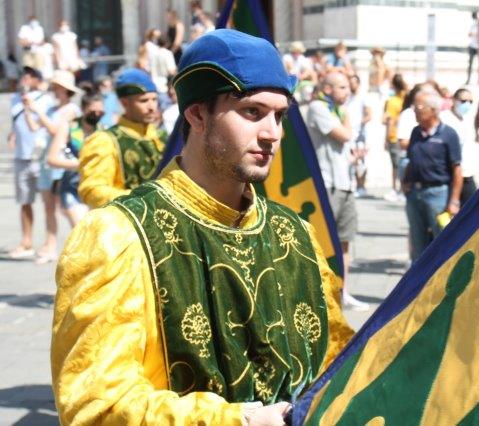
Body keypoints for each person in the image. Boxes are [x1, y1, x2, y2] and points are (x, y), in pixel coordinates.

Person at [52, 29, 353, 424]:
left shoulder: (295, 232)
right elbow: (95, 405)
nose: (272, 134)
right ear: (196, 115)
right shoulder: (116, 235)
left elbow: (338, 361)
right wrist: (239, 421)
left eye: (279, 116)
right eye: (252, 112)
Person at [307, 72, 369, 311]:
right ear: (327, 89)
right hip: (328, 184)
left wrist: (355, 158)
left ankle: (343, 291)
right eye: (342, 87)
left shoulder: (337, 112)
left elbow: (343, 147)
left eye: (347, 87)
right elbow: (345, 135)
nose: (347, 92)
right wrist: (347, 116)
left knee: (344, 242)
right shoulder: (318, 108)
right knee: (324, 241)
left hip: (345, 184)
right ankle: (322, 293)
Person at [78, 69, 165, 208]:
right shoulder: (104, 140)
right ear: (125, 103)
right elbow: (91, 190)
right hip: (126, 219)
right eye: (144, 101)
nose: (152, 107)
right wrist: (141, 199)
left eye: (154, 99)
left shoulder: (163, 137)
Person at [23, 70, 82, 264]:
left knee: (65, 207)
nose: (54, 90)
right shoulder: (52, 108)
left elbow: (56, 131)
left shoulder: (72, 109)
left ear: (65, 90)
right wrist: (27, 109)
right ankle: (50, 246)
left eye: (57, 87)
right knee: (48, 207)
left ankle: (78, 246)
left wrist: (37, 111)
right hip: (46, 162)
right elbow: (34, 127)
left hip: (60, 162)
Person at [403, 90, 462, 262]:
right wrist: (406, 181)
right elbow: (411, 160)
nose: (415, 111)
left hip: (437, 194)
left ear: (433, 110)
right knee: (417, 241)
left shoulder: (448, 134)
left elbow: (457, 169)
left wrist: (454, 201)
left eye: (419, 107)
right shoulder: (416, 132)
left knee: (441, 241)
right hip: (415, 194)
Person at [6, 67, 53, 259]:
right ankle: (26, 241)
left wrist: (31, 104)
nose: (24, 79)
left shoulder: (46, 99)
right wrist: (12, 135)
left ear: (36, 79)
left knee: (48, 203)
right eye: (23, 75)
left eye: (29, 76)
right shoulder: (14, 99)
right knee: (25, 201)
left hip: (40, 156)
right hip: (21, 155)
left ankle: (50, 243)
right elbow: (16, 122)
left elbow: (48, 123)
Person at [46, 89, 104, 227]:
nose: (97, 115)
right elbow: (52, 159)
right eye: (93, 111)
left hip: (96, 187)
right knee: (81, 228)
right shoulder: (69, 127)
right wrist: (81, 164)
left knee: (95, 233)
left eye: (100, 112)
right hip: (72, 186)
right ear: (83, 109)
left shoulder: (104, 130)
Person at [440, 88, 479, 205]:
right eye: (463, 101)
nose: (467, 104)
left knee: (472, 206)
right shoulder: (443, 118)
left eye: (470, 101)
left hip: (466, 172)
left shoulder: (467, 120)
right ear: (454, 100)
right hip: (449, 173)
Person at [346, 75, 372, 197]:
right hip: (349, 132)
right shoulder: (347, 97)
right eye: (350, 83)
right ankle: (354, 185)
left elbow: (369, 115)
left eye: (353, 83)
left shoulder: (363, 97)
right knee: (352, 159)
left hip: (360, 134)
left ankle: (361, 186)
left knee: (361, 161)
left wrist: (359, 124)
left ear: (358, 83)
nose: (351, 85)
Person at [383, 74, 407, 201]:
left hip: (394, 136)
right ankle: (402, 189)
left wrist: (386, 138)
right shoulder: (406, 98)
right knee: (402, 164)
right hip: (405, 136)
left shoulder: (392, 101)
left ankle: (395, 189)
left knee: (395, 165)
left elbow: (390, 120)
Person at [466, 11, 479, 85]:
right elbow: (469, 34)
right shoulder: (472, 25)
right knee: (470, 64)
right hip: (472, 45)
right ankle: (468, 79)